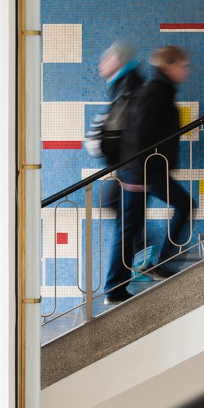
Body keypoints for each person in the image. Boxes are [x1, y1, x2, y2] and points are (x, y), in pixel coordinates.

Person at [109, 45, 196, 300]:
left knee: (131, 228)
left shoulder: (161, 91)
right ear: (168, 65)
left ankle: (151, 268)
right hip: (142, 173)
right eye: (183, 65)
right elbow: (136, 135)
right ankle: (116, 287)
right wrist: (137, 177)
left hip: (147, 172)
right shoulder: (155, 93)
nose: (186, 71)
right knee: (128, 229)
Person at [93, 40, 145, 305]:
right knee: (118, 212)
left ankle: (115, 287)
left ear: (120, 60)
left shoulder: (128, 87)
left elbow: (117, 132)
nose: (102, 63)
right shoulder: (122, 86)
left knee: (124, 228)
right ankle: (143, 248)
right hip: (127, 169)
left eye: (107, 58)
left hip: (131, 170)